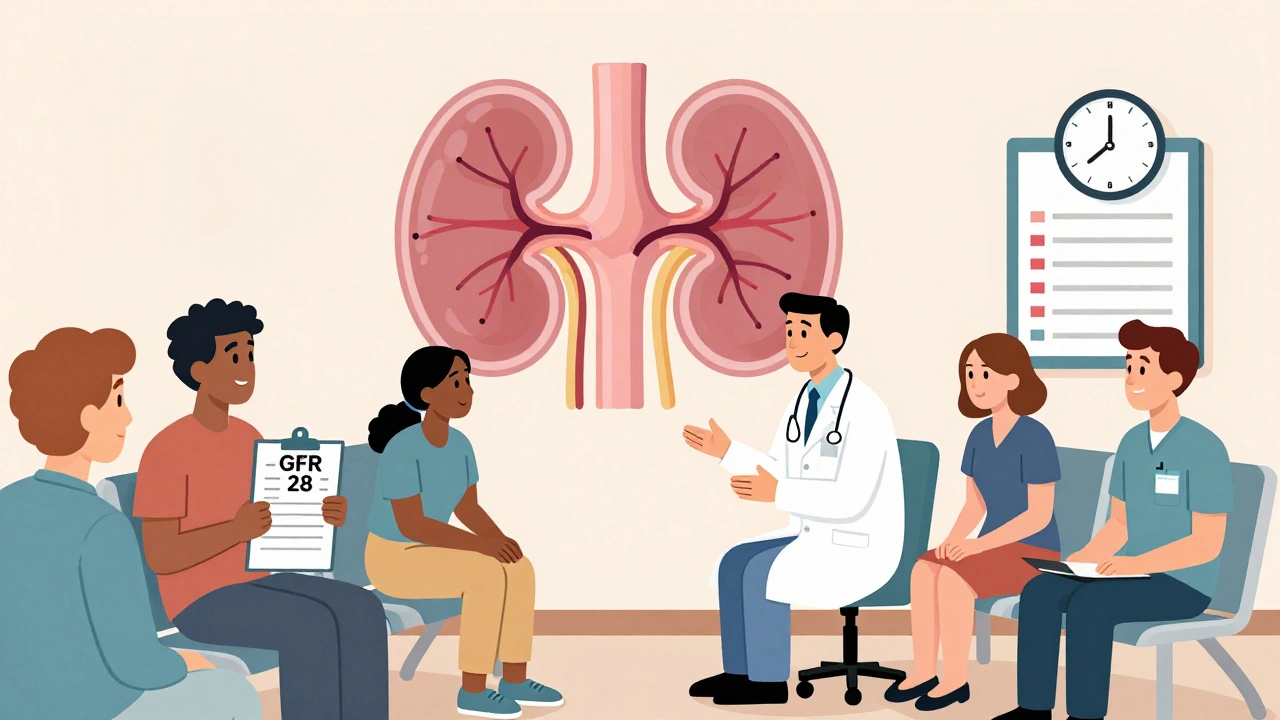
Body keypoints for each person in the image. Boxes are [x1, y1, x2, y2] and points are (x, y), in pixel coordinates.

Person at [133, 299, 390, 720]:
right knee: (310, 625)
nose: (246, 366)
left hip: (259, 580)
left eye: (250, 354)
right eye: (233, 355)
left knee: (361, 608)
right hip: (199, 601)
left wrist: (318, 514)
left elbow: (268, 521)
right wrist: (233, 531)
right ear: (199, 371)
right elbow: (162, 554)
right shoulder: (167, 449)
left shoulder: (248, 435)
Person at [1, 327, 262, 720]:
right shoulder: (102, 525)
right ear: (88, 416)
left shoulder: (7, 503)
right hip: (96, 706)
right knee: (234, 690)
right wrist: (193, 662)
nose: (128, 415)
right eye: (118, 399)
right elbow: (137, 664)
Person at [994, 321, 1231, 720]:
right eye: (1129, 366)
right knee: (1040, 591)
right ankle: (1033, 710)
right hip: (1128, 572)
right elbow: (1119, 525)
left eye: (1144, 367)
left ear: (1173, 379)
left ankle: (1085, 716)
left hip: (1183, 582)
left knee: (1091, 604)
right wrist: (1080, 562)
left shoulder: (1204, 447)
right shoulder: (1131, 442)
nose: (1132, 378)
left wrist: (1135, 565)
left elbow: (1206, 544)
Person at [682, 292, 905, 706]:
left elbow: (852, 498)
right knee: (735, 563)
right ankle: (739, 672)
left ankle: (767, 683)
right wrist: (727, 451)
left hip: (858, 541)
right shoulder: (804, 399)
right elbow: (777, 466)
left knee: (762, 571)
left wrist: (779, 492)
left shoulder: (864, 408)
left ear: (834, 339)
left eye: (804, 331)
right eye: (789, 330)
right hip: (814, 530)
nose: (793, 341)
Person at [364, 345, 564, 720]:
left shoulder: (461, 446)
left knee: (519, 568)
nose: (466, 390)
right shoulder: (403, 448)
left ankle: (515, 680)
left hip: (429, 551)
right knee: (484, 573)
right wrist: (483, 547)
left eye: (467, 380)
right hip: (393, 556)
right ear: (427, 394)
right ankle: (472, 690)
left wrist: (501, 542)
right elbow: (413, 524)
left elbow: (467, 508)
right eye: (455, 381)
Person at [887, 334, 1060, 711]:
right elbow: (974, 503)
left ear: (1014, 379)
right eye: (969, 374)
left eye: (986, 373)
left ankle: (955, 681)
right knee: (925, 568)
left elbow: (1038, 515)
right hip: (992, 547)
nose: (976, 383)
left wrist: (976, 546)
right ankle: (923, 671)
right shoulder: (979, 434)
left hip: (1035, 551)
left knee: (953, 577)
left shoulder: (1036, 436)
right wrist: (951, 542)